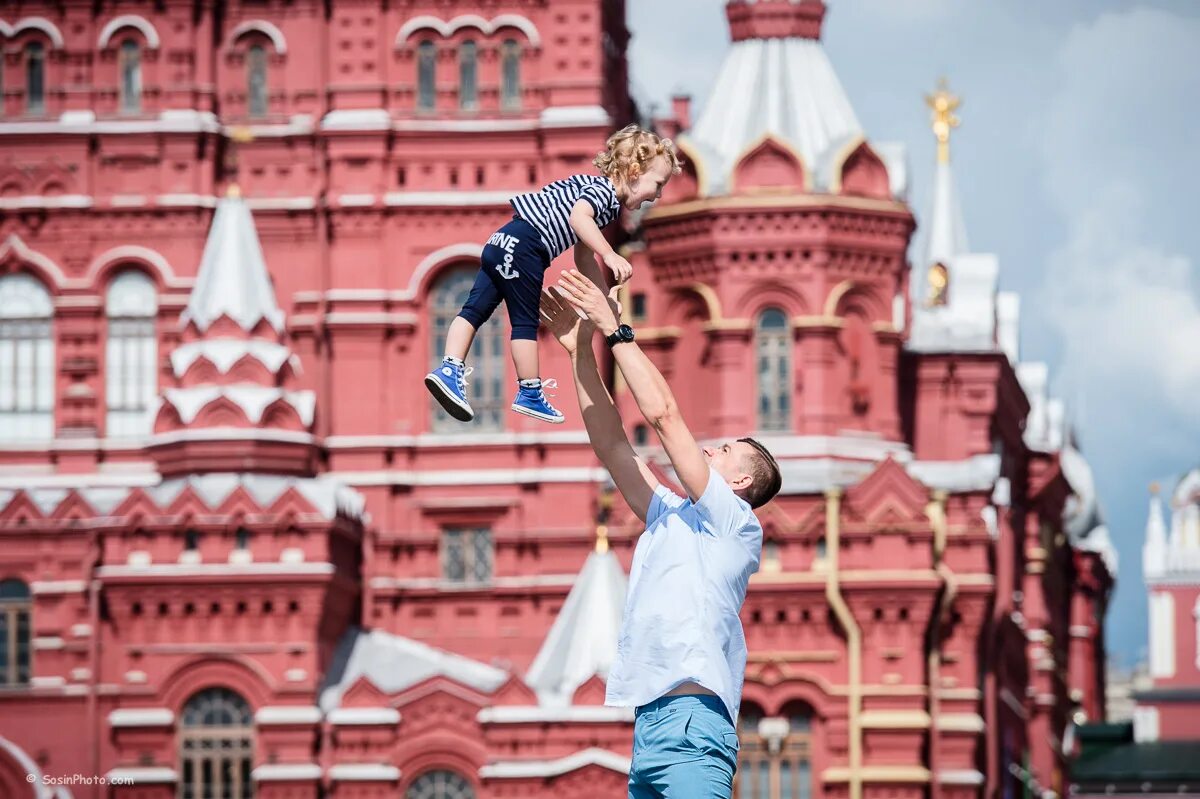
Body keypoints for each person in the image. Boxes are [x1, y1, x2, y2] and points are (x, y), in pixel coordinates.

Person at [540, 271, 783, 798]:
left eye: (723, 452)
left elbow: (665, 417)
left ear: (739, 480)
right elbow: (611, 443)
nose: (709, 450)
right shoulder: (671, 514)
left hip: (694, 726)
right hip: (652, 726)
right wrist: (579, 353)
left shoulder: (734, 523)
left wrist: (616, 328)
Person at [424, 124, 680, 424]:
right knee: (524, 322)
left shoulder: (589, 186)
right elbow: (579, 218)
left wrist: (601, 300)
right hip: (527, 248)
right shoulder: (604, 194)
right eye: (658, 184)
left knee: (473, 310)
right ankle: (529, 392)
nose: (658, 194)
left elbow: (584, 253)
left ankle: (449, 369)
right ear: (635, 172)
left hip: (501, 240)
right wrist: (610, 254)